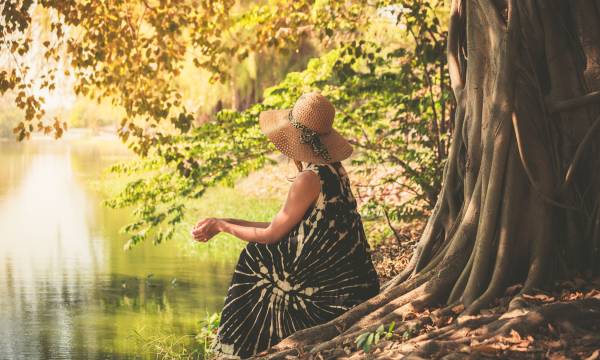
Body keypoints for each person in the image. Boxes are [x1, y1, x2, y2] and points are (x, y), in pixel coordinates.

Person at [192, 92, 380, 359]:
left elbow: (270, 236)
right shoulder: (334, 170)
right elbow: (280, 226)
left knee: (256, 259)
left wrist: (222, 227)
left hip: (330, 297)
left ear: (296, 138)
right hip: (357, 285)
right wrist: (224, 222)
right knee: (264, 253)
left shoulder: (309, 179)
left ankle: (243, 351)